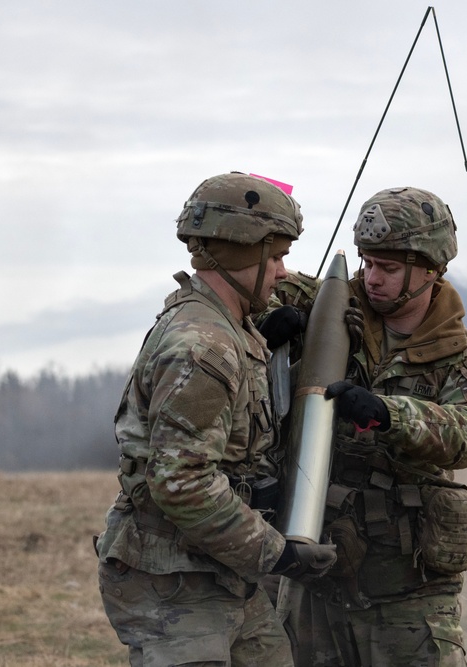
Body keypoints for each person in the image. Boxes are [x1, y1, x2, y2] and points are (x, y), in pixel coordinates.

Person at [95, 172, 338, 666]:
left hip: (218, 570)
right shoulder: (204, 347)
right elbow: (182, 481)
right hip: (173, 580)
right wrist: (277, 554)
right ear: (240, 254)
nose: (284, 272)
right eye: (276, 257)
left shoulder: (234, 329)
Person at [261, 186, 467, 666]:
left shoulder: (463, 358)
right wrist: (267, 327)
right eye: (367, 263)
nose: (372, 278)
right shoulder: (330, 310)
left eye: (389, 268)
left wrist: (390, 414)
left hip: (407, 594)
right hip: (316, 578)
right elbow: (243, 286)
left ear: (432, 271)